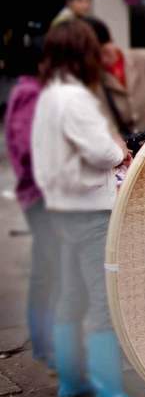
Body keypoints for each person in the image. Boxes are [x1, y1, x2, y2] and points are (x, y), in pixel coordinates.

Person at [31, 19, 145, 397]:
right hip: (91, 211)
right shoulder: (75, 99)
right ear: (82, 54)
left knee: (69, 295)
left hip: (62, 209)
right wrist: (118, 150)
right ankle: (108, 395)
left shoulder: (49, 96)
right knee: (102, 301)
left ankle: (71, 382)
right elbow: (102, 152)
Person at [4, 40, 58, 370]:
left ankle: (45, 342)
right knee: (49, 270)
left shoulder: (31, 91)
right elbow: (29, 150)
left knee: (48, 268)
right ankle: (45, 343)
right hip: (42, 196)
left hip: (39, 193)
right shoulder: (32, 94)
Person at [81, 16, 145, 139]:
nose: (103, 59)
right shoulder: (91, 75)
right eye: (96, 55)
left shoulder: (143, 58)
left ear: (111, 41)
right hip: (117, 149)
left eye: (105, 51)